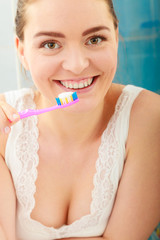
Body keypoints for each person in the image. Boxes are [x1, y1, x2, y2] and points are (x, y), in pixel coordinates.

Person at [0, 0, 160, 239]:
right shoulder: (5, 128)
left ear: (115, 39)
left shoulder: (149, 118)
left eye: (94, 39)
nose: (77, 66)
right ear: (22, 52)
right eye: (51, 44)